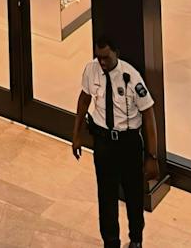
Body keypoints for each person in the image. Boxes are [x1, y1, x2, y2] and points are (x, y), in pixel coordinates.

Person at [71, 31, 158, 248]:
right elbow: (84, 101)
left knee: (133, 194)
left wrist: (152, 156)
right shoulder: (91, 70)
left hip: (128, 143)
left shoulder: (131, 77)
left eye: (106, 57)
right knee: (106, 195)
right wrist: (76, 135)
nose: (102, 62)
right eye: (98, 57)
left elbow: (148, 115)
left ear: (116, 53)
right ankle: (110, 241)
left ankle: (136, 238)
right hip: (103, 143)